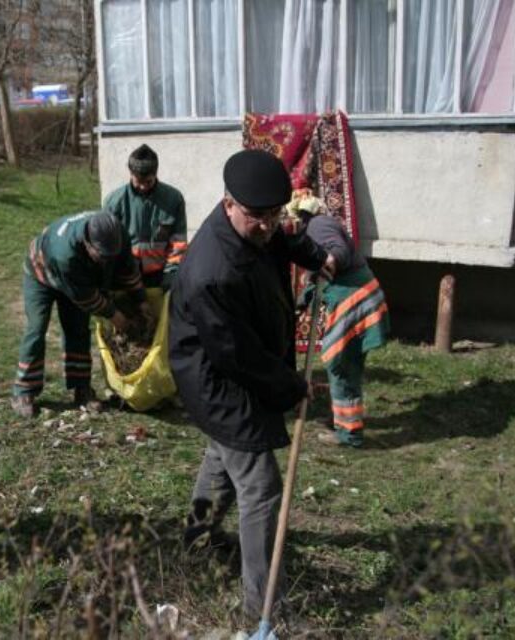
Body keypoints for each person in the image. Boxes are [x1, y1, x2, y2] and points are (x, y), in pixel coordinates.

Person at [168, 150, 332, 618]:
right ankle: (262, 608)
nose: (266, 225)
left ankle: (198, 539)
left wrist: (314, 255)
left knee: (222, 453)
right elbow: (237, 356)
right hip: (217, 379)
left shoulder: (255, 225)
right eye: (256, 217)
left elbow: (279, 239)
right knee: (260, 486)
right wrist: (290, 387)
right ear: (228, 204)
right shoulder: (212, 273)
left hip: (233, 366)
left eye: (274, 215)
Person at [12, 210, 151, 418]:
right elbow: (88, 299)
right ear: (87, 242)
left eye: (110, 255)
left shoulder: (116, 235)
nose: (106, 260)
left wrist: (142, 301)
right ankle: (23, 391)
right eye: (101, 256)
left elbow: (128, 268)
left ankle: (82, 389)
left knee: (77, 329)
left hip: (77, 275)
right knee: (37, 328)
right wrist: (119, 319)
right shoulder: (65, 254)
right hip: (41, 271)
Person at [291, 194, 389, 448]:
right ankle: (346, 425)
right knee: (345, 364)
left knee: (340, 364)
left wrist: (328, 261)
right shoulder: (318, 227)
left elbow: (337, 253)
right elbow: (320, 270)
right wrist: (304, 295)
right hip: (357, 298)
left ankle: (349, 434)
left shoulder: (317, 225)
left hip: (355, 301)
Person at [103, 144, 187, 290]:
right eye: (138, 182)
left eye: (148, 182)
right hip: (125, 276)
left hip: (160, 276)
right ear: (130, 174)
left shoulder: (174, 199)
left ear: (156, 173)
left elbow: (178, 243)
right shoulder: (113, 202)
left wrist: (171, 275)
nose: (142, 187)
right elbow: (107, 245)